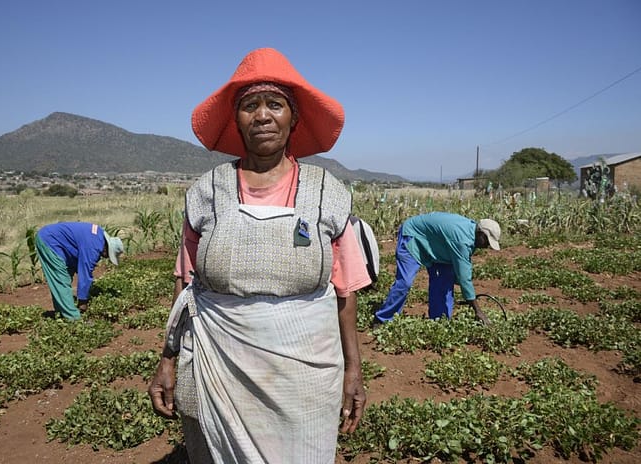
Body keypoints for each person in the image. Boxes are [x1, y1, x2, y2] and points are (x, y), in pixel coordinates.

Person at [149, 47, 369, 463]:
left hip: (305, 375)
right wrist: (167, 359)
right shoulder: (207, 192)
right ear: (237, 120)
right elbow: (184, 286)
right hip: (217, 366)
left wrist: (353, 371)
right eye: (250, 105)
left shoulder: (327, 192)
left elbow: (346, 293)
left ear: (294, 118)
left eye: (275, 104)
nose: (263, 115)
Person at [373, 212, 501, 326]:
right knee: (404, 282)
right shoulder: (462, 240)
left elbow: (460, 273)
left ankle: (439, 321)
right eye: (487, 242)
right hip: (413, 235)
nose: (487, 246)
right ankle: (383, 319)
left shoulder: (471, 233)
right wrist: (478, 310)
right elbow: (464, 278)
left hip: (438, 245)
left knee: (444, 281)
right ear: (480, 233)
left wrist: (463, 286)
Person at [35, 222, 124, 320]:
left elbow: (80, 261)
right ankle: (73, 319)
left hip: (60, 244)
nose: (106, 257)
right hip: (50, 241)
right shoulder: (94, 248)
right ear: (106, 249)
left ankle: (61, 313)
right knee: (61, 280)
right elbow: (85, 274)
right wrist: (83, 300)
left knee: (65, 277)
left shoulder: (98, 237)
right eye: (108, 255)